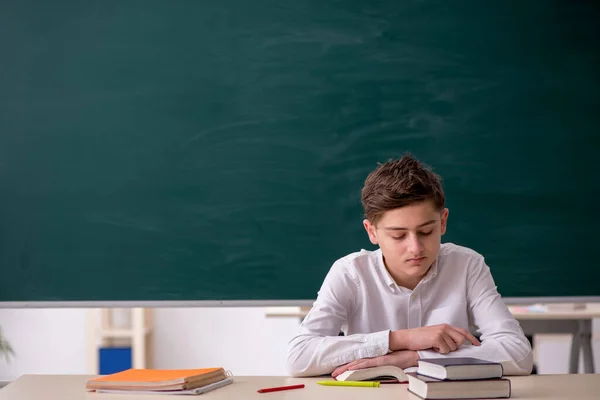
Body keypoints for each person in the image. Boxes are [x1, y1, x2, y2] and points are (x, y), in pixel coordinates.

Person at [286, 154, 533, 377]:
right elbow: (297, 357)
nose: (415, 248)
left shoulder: (467, 265)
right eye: (398, 236)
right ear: (371, 232)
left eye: (426, 231)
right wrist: (401, 339)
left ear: (443, 221)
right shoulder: (351, 273)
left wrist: (413, 357)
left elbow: (518, 354)